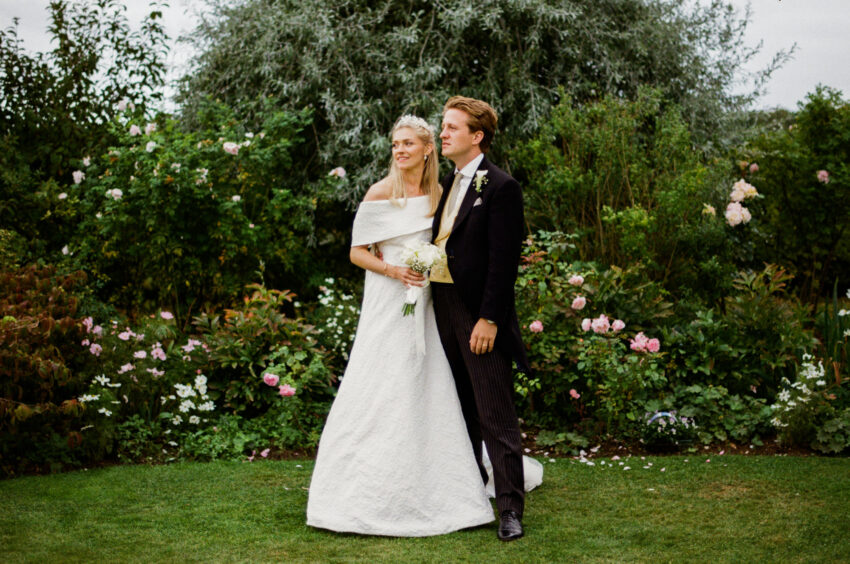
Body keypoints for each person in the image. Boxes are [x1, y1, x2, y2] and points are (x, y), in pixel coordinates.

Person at [305, 115, 495, 536]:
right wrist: (395, 272)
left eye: (409, 143)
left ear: (428, 149)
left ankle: (433, 480)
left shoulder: (440, 195)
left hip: (426, 305)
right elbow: (357, 253)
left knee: (424, 382)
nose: (400, 150)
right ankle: (358, 489)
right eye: (395, 144)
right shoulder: (380, 192)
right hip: (387, 302)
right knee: (378, 383)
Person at [429, 96, 530, 541]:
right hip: (442, 307)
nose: (443, 133)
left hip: (477, 313)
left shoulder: (501, 186)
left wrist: (489, 318)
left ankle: (510, 509)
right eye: (443, 126)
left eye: (452, 127)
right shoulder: (448, 183)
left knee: (494, 411)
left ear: (477, 136)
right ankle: (470, 494)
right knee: (460, 408)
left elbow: (503, 261)